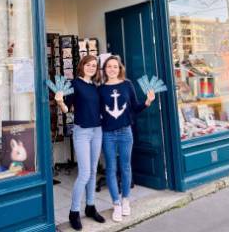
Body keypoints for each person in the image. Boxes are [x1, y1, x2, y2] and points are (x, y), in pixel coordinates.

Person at [99, 55, 155, 222]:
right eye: (109, 67)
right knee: (111, 168)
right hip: (107, 133)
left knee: (125, 167)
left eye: (115, 67)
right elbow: (96, 112)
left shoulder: (127, 85)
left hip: (125, 132)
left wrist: (147, 102)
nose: (112, 69)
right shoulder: (100, 89)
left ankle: (125, 200)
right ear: (105, 69)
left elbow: (135, 107)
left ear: (120, 68)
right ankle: (116, 203)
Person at [55, 55, 105, 231]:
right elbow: (67, 109)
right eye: (88, 64)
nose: (91, 67)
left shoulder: (96, 87)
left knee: (92, 171)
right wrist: (60, 101)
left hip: (97, 131)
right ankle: (74, 212)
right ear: (81, 66)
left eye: (94, 65)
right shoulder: (74, 84)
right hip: (82, 132)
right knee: (84, 173)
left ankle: (90, 207)